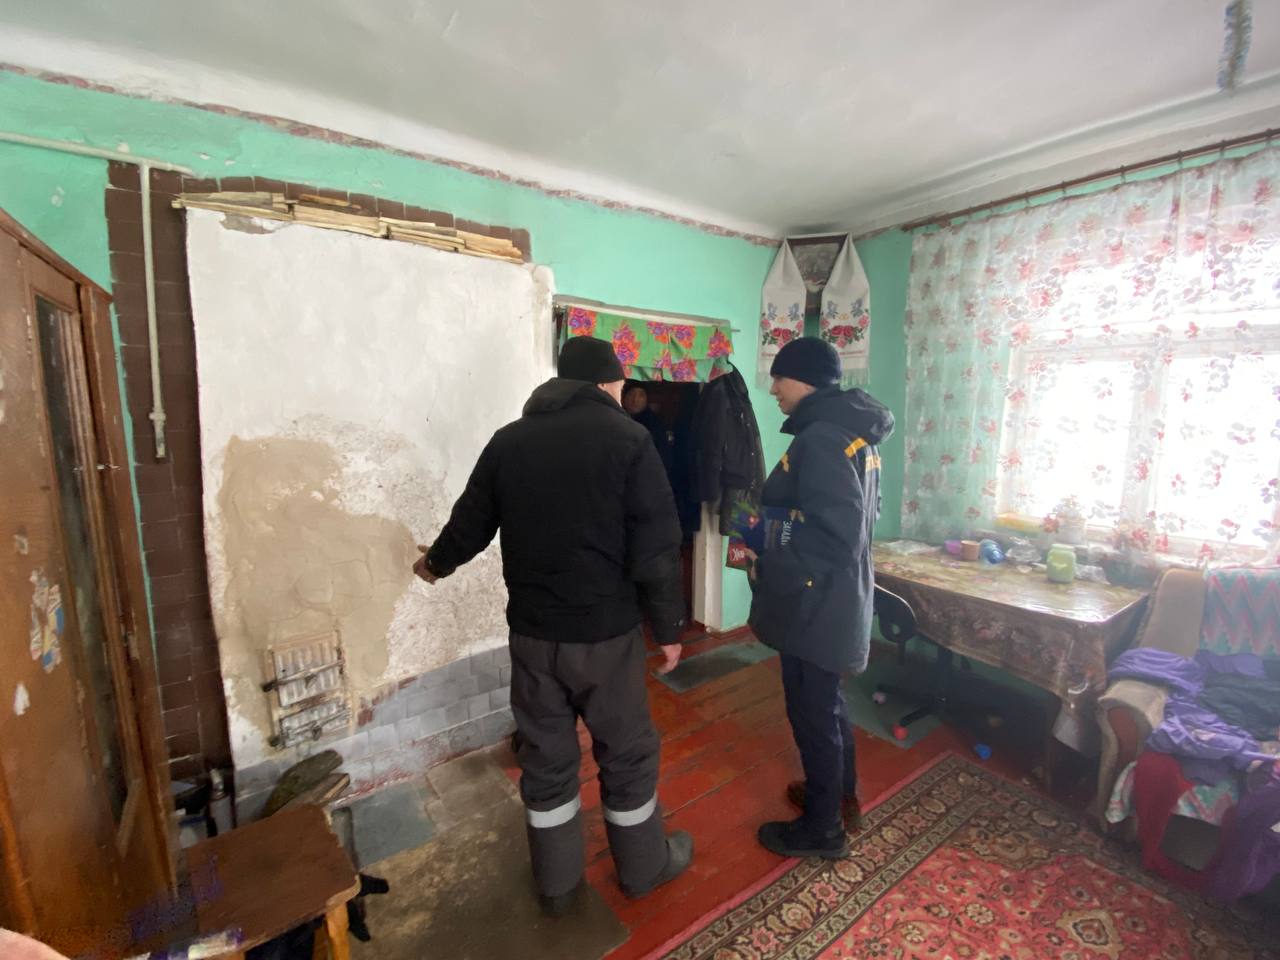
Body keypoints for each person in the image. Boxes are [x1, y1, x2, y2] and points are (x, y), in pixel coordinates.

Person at [413, 336, 694, 916]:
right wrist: (669, 628)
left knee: (544, 756)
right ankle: (643, 868)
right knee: (626, 752)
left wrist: (435, 563)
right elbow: (657, 546)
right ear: (607, 383)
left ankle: (557, 883)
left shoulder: (510, 440)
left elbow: (471, 520)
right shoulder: (629, 439)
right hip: (606, 638)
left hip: (534, 636)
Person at [745, 337, 894, 859]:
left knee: (813, 713)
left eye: (778, 378)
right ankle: (837, 798)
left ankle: (823, 830)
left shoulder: (823, 438)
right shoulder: (852, 432)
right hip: (835, 595)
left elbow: (835, 537)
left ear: (804, 380)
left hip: (817, 604)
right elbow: (856, 521)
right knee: (827, 707)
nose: (773, 389)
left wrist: (766, 554)